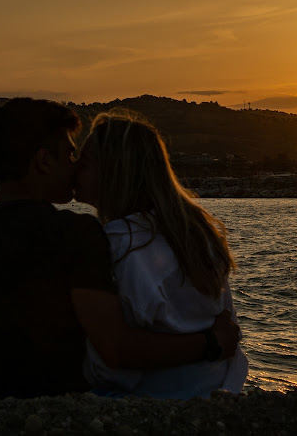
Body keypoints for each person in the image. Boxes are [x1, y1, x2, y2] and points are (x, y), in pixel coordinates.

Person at [0, 98, 239, 405]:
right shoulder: (82, 233)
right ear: (45, 161)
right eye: (70, 153)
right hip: (64, 394)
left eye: (82, 157)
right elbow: (104, 341)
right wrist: (212, 342)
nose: (75, 165)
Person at [74, 109, 248, 399]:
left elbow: (117, 359)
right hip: (214, 391)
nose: (74, 167)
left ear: (116, 172)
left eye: (86, 161)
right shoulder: (197, 235)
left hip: (152, 402)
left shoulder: (120, 244)